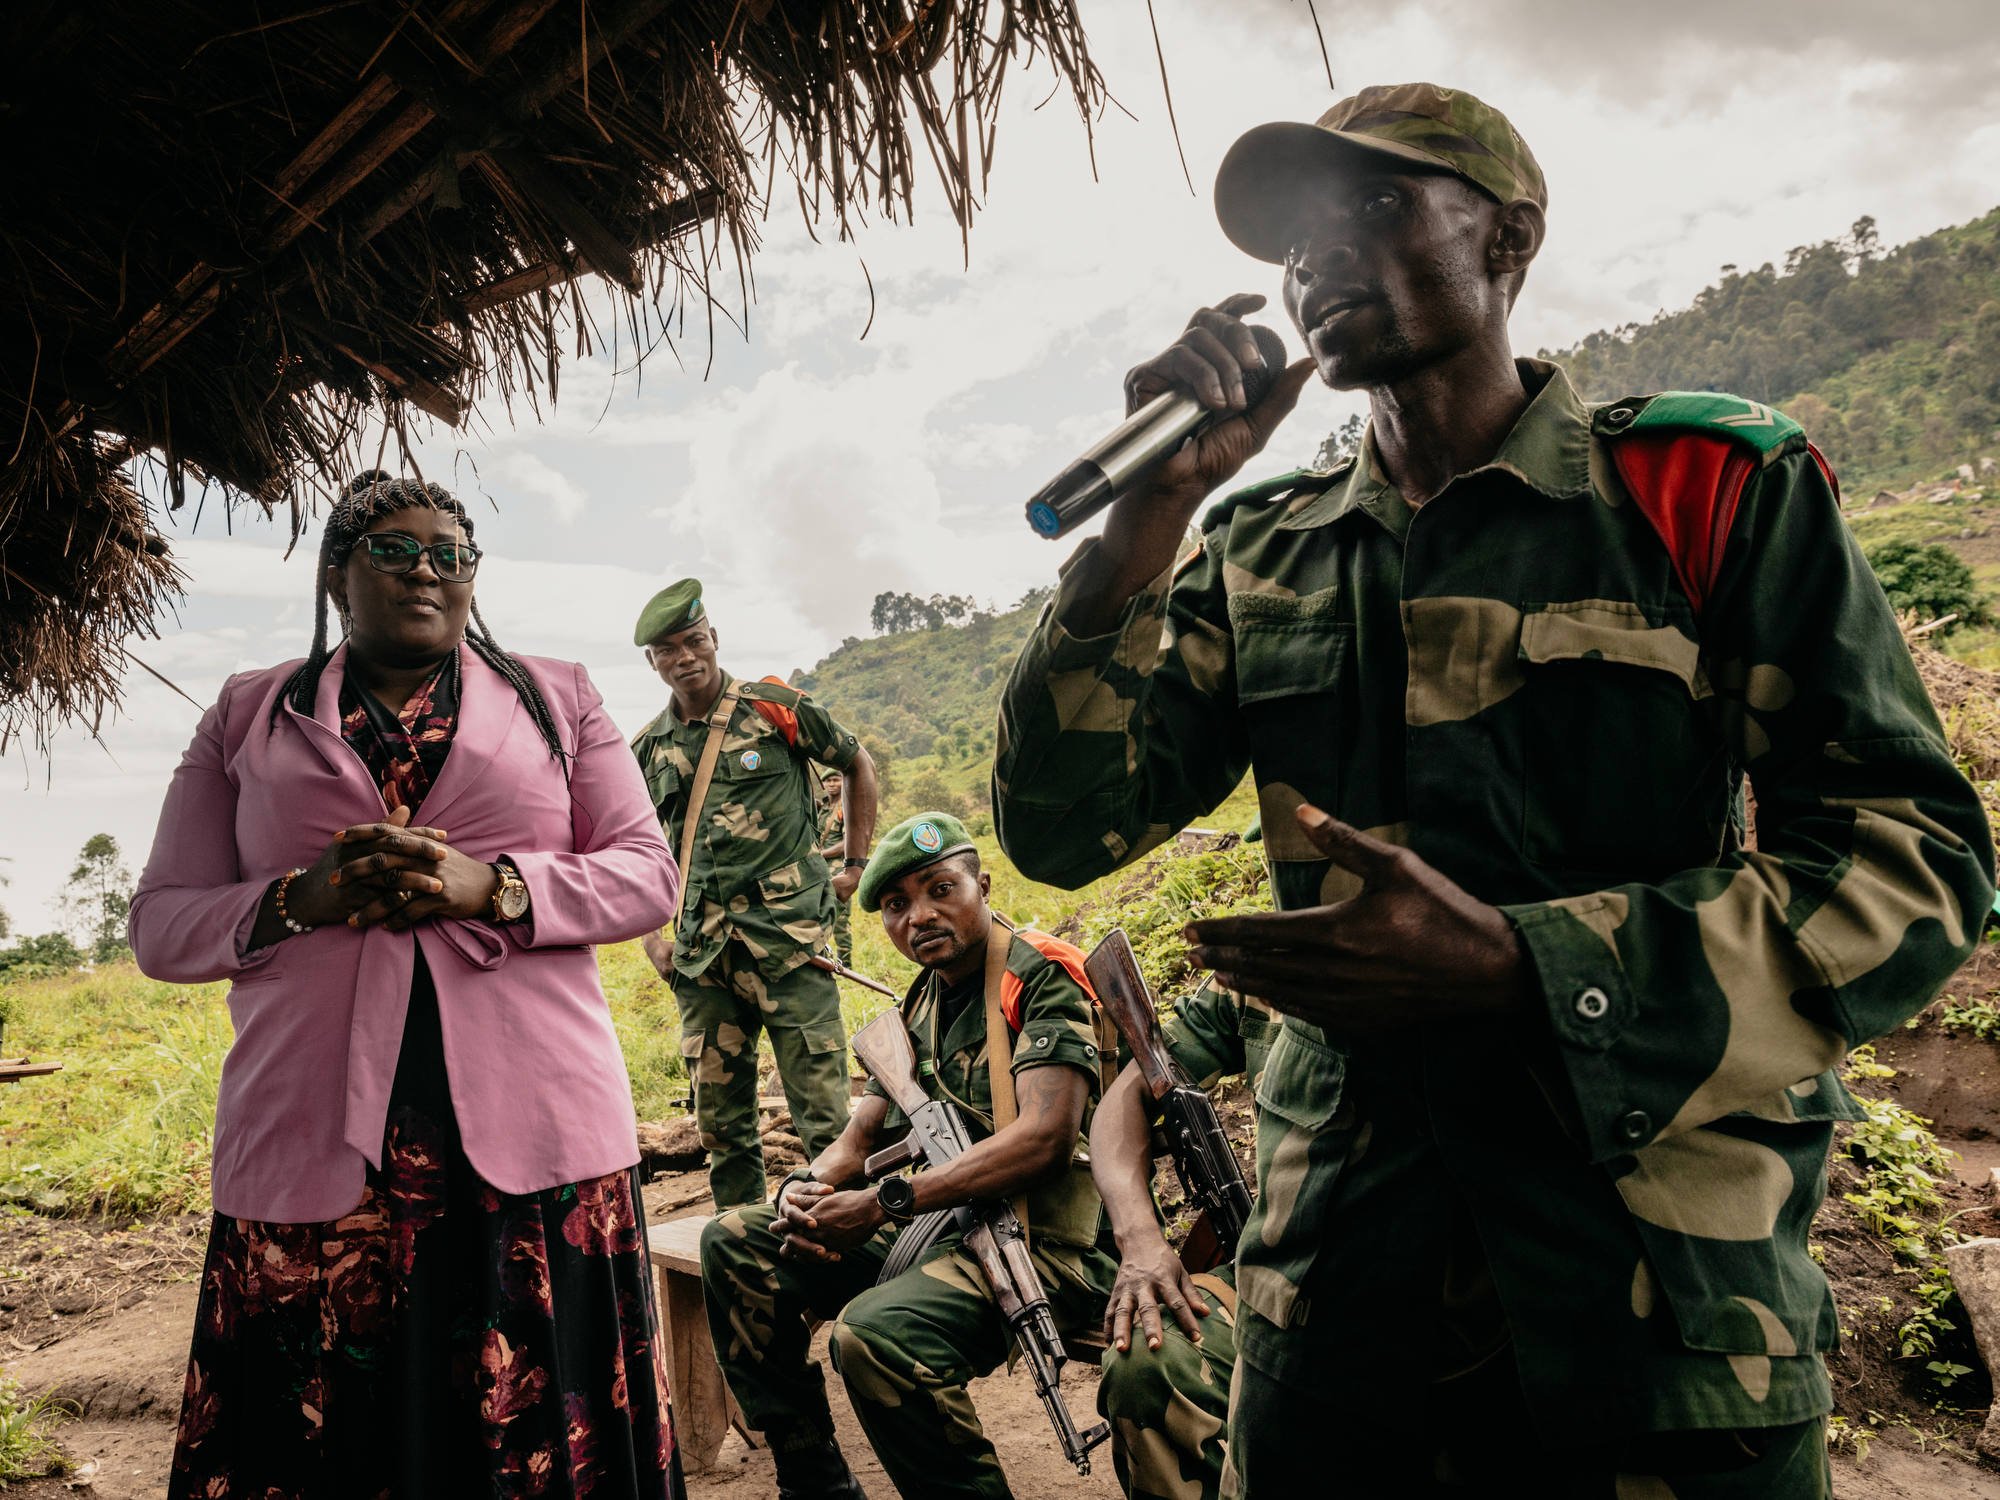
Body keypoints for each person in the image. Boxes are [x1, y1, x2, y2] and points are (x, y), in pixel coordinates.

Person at [993, 82, 1996, 1495]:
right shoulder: (1255, 549)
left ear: (1510, 236)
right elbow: (1057, 827)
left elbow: (1915, 861)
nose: (1317, 257)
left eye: (1375, 205)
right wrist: (1143, 522)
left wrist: (1533, 968)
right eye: (1290, 238)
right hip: (1339, 1303)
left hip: (1656, 1311)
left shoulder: (1702, 487)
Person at [129, 472, 685, 1499]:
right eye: (393, 549)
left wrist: (500, 887)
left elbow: (648, 875)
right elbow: (161, 924)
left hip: (536, 1131)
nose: (426, 568)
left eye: (451, 552)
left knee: (529, 1410)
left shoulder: (557, 696)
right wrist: (302, 898)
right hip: (313, 1130)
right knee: (327, 1427)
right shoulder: (249, 714)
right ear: (338, 570)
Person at [698, 812, 1117, 1499]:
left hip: (1051, 1241)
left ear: (982, 885)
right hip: (952, 1222)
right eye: (897, 905)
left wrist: (884, 1202)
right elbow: (861, 1137)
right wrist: (805, 1185)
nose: (919, 915)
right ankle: (814, 1479)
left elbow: (1044, 1141)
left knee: (871, 1338)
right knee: (738, 1242)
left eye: (940, 889)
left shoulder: (1036, 974)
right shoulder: (923, 999)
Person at [629, 579, 879, 1209]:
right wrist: (649, 935)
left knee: (825, 1118)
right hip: (702, 958)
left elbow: (856, 763)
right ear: (652, 662)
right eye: (668, 650)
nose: (685, 657)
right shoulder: (648, 749)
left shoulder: (773, 707)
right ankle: (741, 1245)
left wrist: (854, 863)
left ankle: (841, 1248)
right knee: (722, 1128)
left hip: (789, 945)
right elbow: (632, 842)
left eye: (693, 640)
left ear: (713, 637)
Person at [1091, 979, 1280, 1500]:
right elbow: (1122, 1101)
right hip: (1277, 1274)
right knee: (1146, 1362)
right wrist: (1141, 1238)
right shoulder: (1256, 975)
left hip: (1439, 1297)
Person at [817, 767, 856, 967]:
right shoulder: (822, 808)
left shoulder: (846, 808)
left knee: (839, 917)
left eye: (836, 780)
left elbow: (847, 841)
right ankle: (821, 957)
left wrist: (821, 854)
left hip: (837, 867)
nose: (832, 784)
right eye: (828, 781)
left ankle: (845, 964)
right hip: (818, 869)